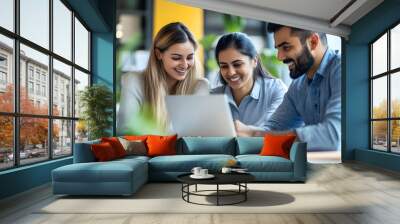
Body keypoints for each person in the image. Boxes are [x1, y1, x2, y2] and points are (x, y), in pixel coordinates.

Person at [235, 24, 341, 151]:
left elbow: (332, 137)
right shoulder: (298, 86)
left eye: (286, 47)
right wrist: (247, 132)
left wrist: (255, 134)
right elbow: (273, 129)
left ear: (313, 42)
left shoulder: (342, 68)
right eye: (278, 49)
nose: (279, 57)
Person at [117, 22, 209, 135]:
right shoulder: (133, 81)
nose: (185, 65)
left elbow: (197, 135)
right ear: (158, 54)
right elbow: (125, 130)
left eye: (190, 57)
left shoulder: (200, 86)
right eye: (176, 58)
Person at [211, 32, 287, 129]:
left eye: (237, 64)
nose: (231, 72)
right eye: (224, 66)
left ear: (254, 61)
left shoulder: (275, 89)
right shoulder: (213, 97)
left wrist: (246, 131)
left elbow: (276, 129)